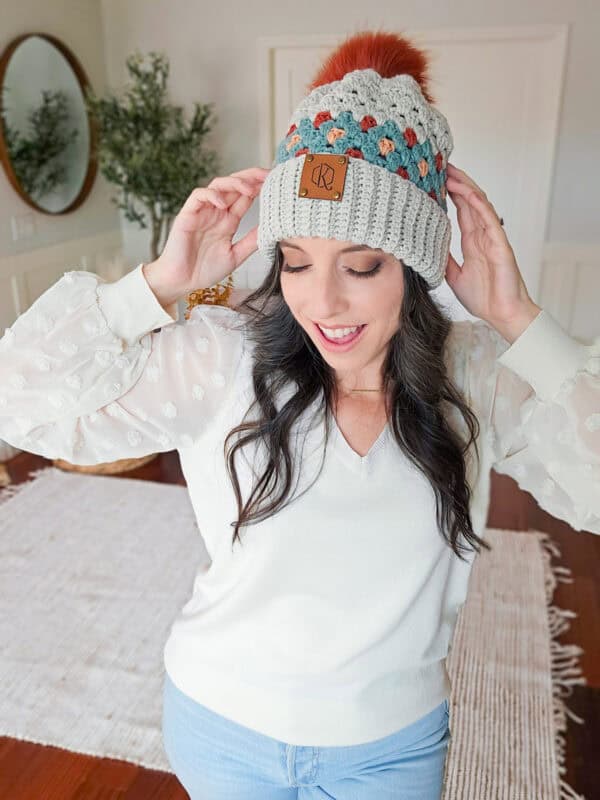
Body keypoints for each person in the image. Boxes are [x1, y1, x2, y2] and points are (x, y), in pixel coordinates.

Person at [1, 29, 599, 800]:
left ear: (414, 268)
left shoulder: (475, 375)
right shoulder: (220, 357)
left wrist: (520, 321)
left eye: (362, 265)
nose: (324, 302)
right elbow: (17, 399)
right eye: (296, 261)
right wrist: (153, 284)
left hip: (389, 748)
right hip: (219, 724)